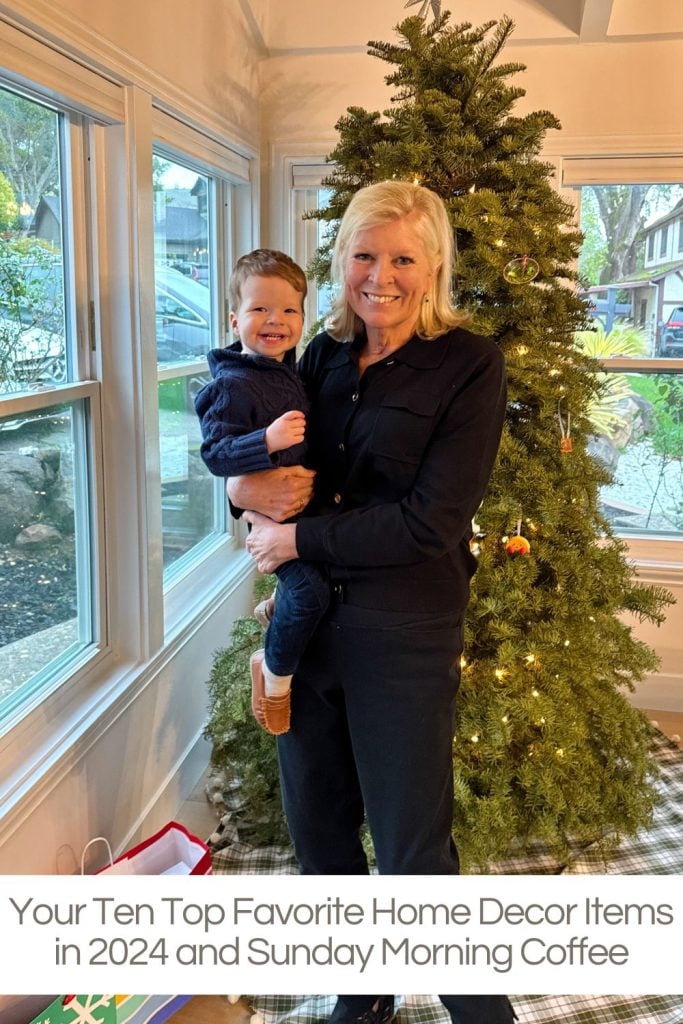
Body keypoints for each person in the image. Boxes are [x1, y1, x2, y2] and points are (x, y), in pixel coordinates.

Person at [229, 182, 515, 1024]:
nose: (378, 276)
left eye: (400, 258)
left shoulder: (470, 364)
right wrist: (255, 512)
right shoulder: (314, 358)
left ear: (432, 269)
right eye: (362, 254)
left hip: (404, 636)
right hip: (311, 628)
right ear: (340, 262)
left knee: (412, 853)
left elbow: (432, 521)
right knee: (319, 833)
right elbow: (260, 480)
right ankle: (363, 995)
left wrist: (299, 542)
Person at [194, 249, 329, 735]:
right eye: (259, 310)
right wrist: (265, 441)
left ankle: (275, 610)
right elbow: (215, 454)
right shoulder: (233, 385)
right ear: (235, 319)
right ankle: (272, 677)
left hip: (306, 517)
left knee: (320, 582)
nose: (275, 320)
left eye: (289, 310)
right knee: (312, 592)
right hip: (278, 523)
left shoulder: (290, 370)